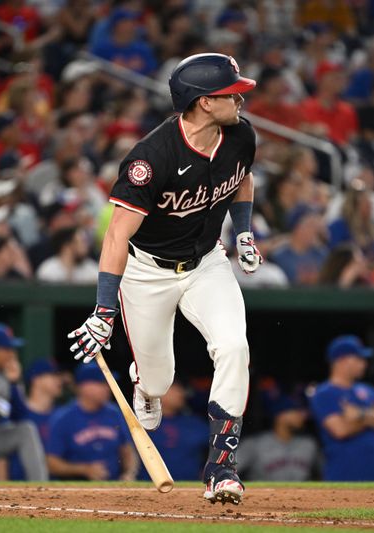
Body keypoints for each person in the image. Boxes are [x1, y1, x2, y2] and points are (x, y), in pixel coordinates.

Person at [67, 53, 261, 505]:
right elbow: (116, 235)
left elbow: (242, 179)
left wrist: (245, 229)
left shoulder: (241, 135)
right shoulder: (150, 158)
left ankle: (221, 468)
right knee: (158, 380)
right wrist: (103, 311)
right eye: (231, 93)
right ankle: (144, 383)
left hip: (208, 263)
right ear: (204, 103)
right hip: (146, 272)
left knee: (234, 346)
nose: (241, 98)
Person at [309, 335, 374, 481]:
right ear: (342, 361)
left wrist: (361, 414)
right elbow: (340, 430)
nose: (364, 364)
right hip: (344, 473)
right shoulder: (324, 393)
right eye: (359, 359)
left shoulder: (368, 390)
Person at [45, 362, 138, 481]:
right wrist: (84, 469)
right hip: (75, 489)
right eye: (102, 383)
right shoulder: (63, 418)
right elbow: (52, 463)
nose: (107, 388)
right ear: (84, 386)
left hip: (114, 486)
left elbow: (127, 450)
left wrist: (129, 473)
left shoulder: (114, 413)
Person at [0, 323, 48, 481]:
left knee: (26, 430)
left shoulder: (3, 378)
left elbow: (21, 416)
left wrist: (13, 383)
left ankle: (42, 487)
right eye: (7, 349)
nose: (12, 354)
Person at [236, 394, 320, 481]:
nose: (302, 416)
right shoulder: (254, 444)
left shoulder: (309, 444)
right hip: (264, 494)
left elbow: (325, 472)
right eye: (296, 411)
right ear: (281, 416)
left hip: (302, 494)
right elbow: (230, 470)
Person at [8, 357, 64, 480]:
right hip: (18, 487)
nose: (59, 380)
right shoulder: (19, 412)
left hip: (56, 490)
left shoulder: (62, 416)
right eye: (52, 375)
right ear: (36, 380)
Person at [139, 381, 208, 482]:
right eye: (175, 389)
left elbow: (216, 448)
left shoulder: (195, 423)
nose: (181, 393)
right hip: (147, 486)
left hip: (190, 487)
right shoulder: (142, 423)